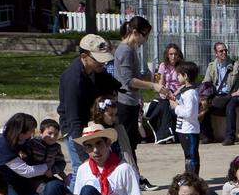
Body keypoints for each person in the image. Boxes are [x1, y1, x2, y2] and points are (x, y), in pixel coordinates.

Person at [71, 121, 148, 195]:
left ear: (108, 143)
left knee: (88, 191)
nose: (95, 150)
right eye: (90, 146)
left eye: (99, 144)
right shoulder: (83, 169)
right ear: (85, 149)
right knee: (53, 188)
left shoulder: (124, 169)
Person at [57, 33, 121, 171]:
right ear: (84, 57)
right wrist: (83, 154)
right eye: (98, 59)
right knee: (81, 169)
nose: (103, 63)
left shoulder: (95, 69)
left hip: (90, 125)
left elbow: (114, 83)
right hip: (74, 129)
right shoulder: (73, 79)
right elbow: (74, 119)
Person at [112, 15, 159, 172]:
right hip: (125, 102)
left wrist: (149, 77)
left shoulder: (131, 49)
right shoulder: (125, 50)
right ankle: (132, 174)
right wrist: (152, 85)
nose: (145, 40)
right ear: (135, 32)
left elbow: (135, 76)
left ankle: (134, 173)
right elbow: (129, 81)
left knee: (132, 142)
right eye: (144, 35)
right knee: (128, 143)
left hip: (131, 101)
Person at [201, 41, 239, 145]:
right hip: (217, 96)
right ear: (216, 53)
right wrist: (205, 95)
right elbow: (206, 83)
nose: (224, 53)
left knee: (231, 106)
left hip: (232, 95)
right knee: (204, 106)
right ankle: (208, 136)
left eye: (225, 50)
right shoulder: (211, 66)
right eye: (221, 51)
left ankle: (230, 137)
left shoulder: (235, 65)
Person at [145, 43, 185, 144]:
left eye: (175, 54)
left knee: (163, 105)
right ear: (167, 55)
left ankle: (164, 134)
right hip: (166, 93)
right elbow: (159, 82)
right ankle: (165, 134)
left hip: (178, 93)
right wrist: (164, 92)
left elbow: (184, 84)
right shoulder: (162, 66)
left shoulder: (182, 66)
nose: (173, 57)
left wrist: (174, 94)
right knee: (163, 104)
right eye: (171, 54)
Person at [172, 59, 203, 174]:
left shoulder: (190, 93)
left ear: (185, 76)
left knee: (191, 155)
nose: (177, 77)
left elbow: (189, 113)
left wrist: (176, 107)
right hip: (183, 129)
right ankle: (189, 175)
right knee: (188, 155)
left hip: (189, 130)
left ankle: (193, 178)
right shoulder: (186, 91)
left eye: (179, 75)